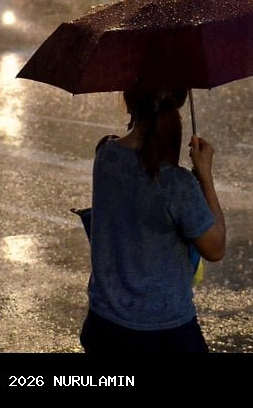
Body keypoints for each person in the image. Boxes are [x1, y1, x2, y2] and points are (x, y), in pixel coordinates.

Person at [79, 83, 226, 354]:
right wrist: (205, 175)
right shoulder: (176, 183)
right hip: (164, 331)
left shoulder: (106, 155)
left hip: (104, 324)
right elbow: (215, 248)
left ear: (129, 100)